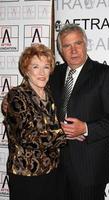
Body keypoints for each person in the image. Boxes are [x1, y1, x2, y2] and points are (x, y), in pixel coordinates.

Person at [49, 24, 109, 200]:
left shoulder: (104, 74)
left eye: (78, 43)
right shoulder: (54, 74)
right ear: (61, 51)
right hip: (56, 167)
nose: (74, 50)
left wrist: (86, 128)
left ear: (85, 45)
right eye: (67, 46)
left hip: (89, 168)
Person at [1, 43, 66, 200]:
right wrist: (65, 135)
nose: (42, 72)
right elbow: (27, 136)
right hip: (27, 175)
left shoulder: (50, 94)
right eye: (36, 66)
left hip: (52, 172)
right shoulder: (16, 96)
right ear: (26, 70)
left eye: (46, 67)